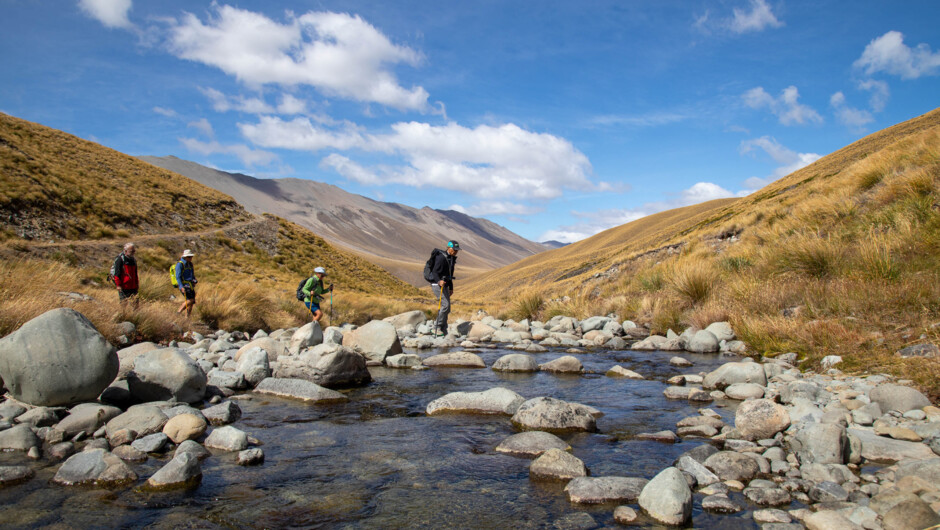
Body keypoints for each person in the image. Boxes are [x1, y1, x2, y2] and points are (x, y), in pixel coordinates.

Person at [427, 240, 460, 337]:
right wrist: (438, 281)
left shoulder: (451, 259)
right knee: (445, 305)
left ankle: (443, 329)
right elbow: (435, 272)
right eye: (454, 249)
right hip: (437, 284)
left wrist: (451, 287)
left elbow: (450, 275)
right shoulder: (441, 257)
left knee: (447, 308)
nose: (455, 251)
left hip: (445, 284)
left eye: (457, 250)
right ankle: (436, 327)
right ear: (448, 248)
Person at [110, 242, 139, 308]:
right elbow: (117, 274)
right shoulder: (120, 259)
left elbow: (135, 273)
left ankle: (135, 317)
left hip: (133, 286)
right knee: (123, 305)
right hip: (124, 287)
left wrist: (137, 284)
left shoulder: (133, 260)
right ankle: (124, 316)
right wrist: (118, 285)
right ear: (125, 251)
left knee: (136, 305)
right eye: (132, 251)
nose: (133, 252)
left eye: (134, 251)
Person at [175, 249, 198, 317]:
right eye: (189, 257)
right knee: (190, 300)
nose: (191, 258)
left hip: (190, 285)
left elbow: (192, 275)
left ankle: (187, 318)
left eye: (191, 257)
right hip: (184, 285)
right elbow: (178, 277)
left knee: (191, 302)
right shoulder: (180, 265)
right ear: (185, 257)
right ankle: (178, 312)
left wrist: (194, 280)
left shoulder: (190, 264)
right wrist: (181, 287)